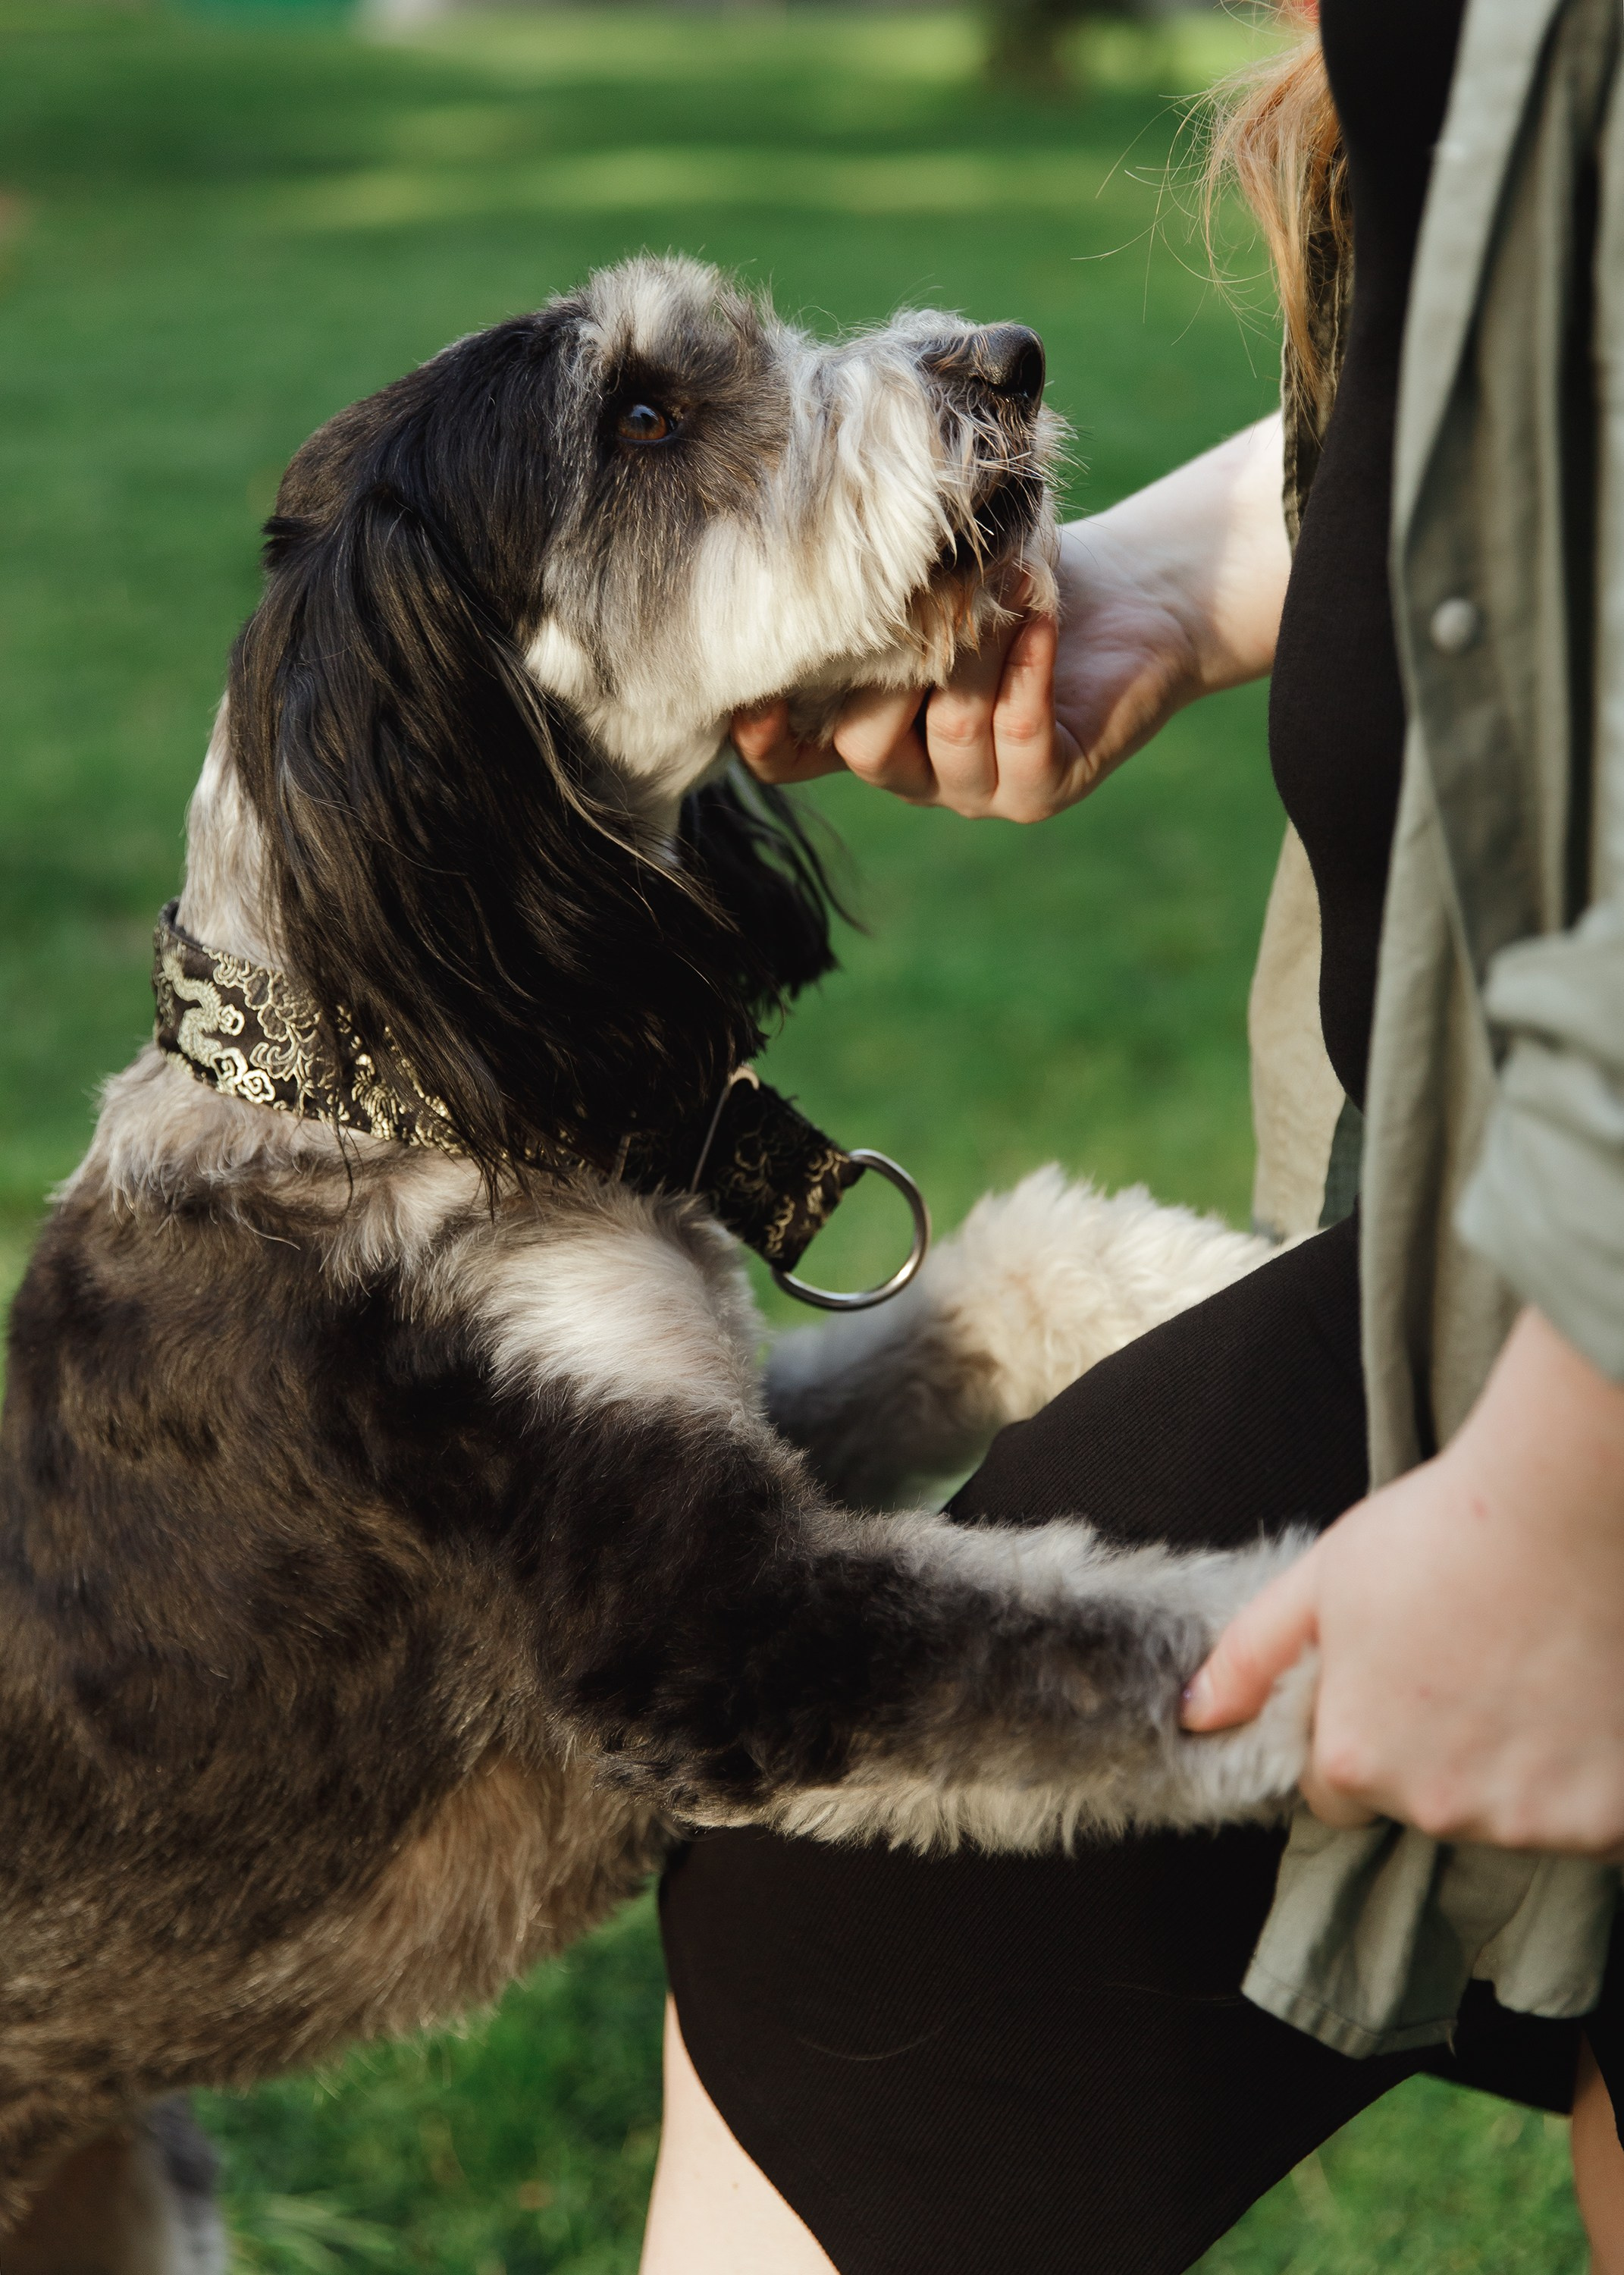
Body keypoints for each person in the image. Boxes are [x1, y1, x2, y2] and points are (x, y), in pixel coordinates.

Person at [641, 2, 1624, 2269]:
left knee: (854, 1951)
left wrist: (1572, 1484)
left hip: (1563, 1320)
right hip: (1479, 1235)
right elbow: (1516, 412)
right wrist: (1183, 599)